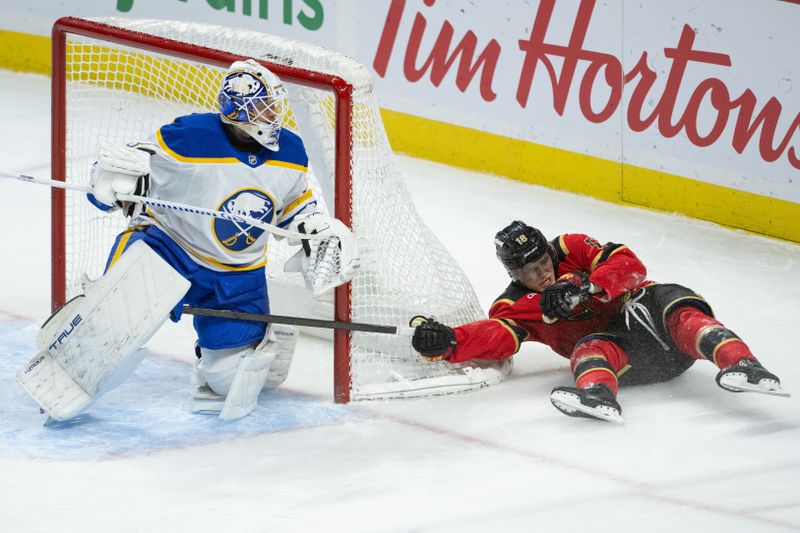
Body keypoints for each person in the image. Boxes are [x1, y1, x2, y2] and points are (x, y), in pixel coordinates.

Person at [23, 59, 357, 422]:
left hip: (237, 275)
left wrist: (312, 225)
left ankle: (264, 340)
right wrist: (114, 180)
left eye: (273, 106)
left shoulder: (291, 151)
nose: (271, 115)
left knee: (230, 379)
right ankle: (64, 375)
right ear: (237, 111)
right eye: (262, 107)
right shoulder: (190, 136)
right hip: (167, 249)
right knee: (112, 325)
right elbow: (130, 166)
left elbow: (294, 202)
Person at [410, 220, 788, 423]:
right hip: (638, 361)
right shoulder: (514, 305)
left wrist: (585, 286)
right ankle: (598, 395)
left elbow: (631, 266)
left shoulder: (573, 247)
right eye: (529, 270)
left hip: (649, 318)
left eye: (543, 262)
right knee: (588, 349)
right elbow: (496, 336)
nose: (542, 273)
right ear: (513, 272)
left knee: (677, 309)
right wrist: (450, 342)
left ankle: (743, 364)